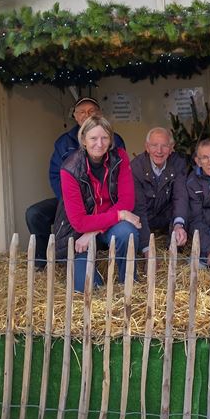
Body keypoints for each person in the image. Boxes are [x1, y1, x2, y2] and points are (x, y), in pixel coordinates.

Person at [26, 97, 125, 269]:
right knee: (35, 213)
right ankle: (43, 263)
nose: (86, 115)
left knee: (118, 227)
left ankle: (102, 253)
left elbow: (119, 175)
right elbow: (55, 175)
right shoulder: (63, 142)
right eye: (81, 112)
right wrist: (71, 202)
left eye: (91, 111)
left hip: (104, 200)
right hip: (70, 199)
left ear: (99, 113)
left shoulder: (114, 139)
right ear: (75, 115)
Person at [53, 114, 140, 291]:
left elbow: (127, 201)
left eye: (104, 138)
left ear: (110, 140)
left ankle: (129, 285)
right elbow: (79, 222)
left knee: (126, 232)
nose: (99, 144)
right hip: (79, 233)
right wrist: (120, 214)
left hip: (106, 226)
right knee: (85, 288)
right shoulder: (69, 169)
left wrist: (95, 231)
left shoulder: (120, 158)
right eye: (93, 138)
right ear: (83, 140)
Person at [131, 127, 189, 256]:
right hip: (145, 217)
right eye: (154, 145)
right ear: (146, 147)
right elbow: (139, 209)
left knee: (186, 211)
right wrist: (147, 250)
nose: (159, 151)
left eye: (164, 146)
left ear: (172, 147)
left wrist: (179, 225)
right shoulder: (136, 167)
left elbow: (180, 196)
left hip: (165, 215)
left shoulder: (178, 163)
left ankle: (175, 251)